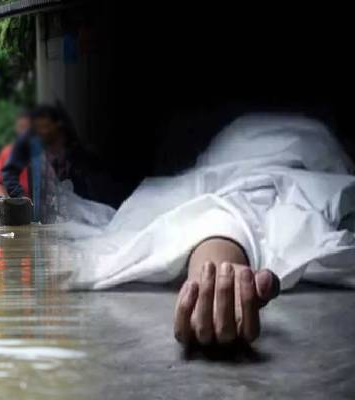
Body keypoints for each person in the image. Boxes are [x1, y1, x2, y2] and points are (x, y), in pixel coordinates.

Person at [61, 114, 355, 346]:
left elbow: (244, 200)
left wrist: (218, 266)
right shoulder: (234, 144)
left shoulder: (318, 157)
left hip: (289, 151)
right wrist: (217, 264)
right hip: (231, 149)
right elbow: (234, 202)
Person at [0, 111, 31, 196]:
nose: (24, 132)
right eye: (21, 127)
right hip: (16, 201)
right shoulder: (7, 151)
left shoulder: (41, 153)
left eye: (27, 128)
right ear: (16, 128)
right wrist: (4, 199)